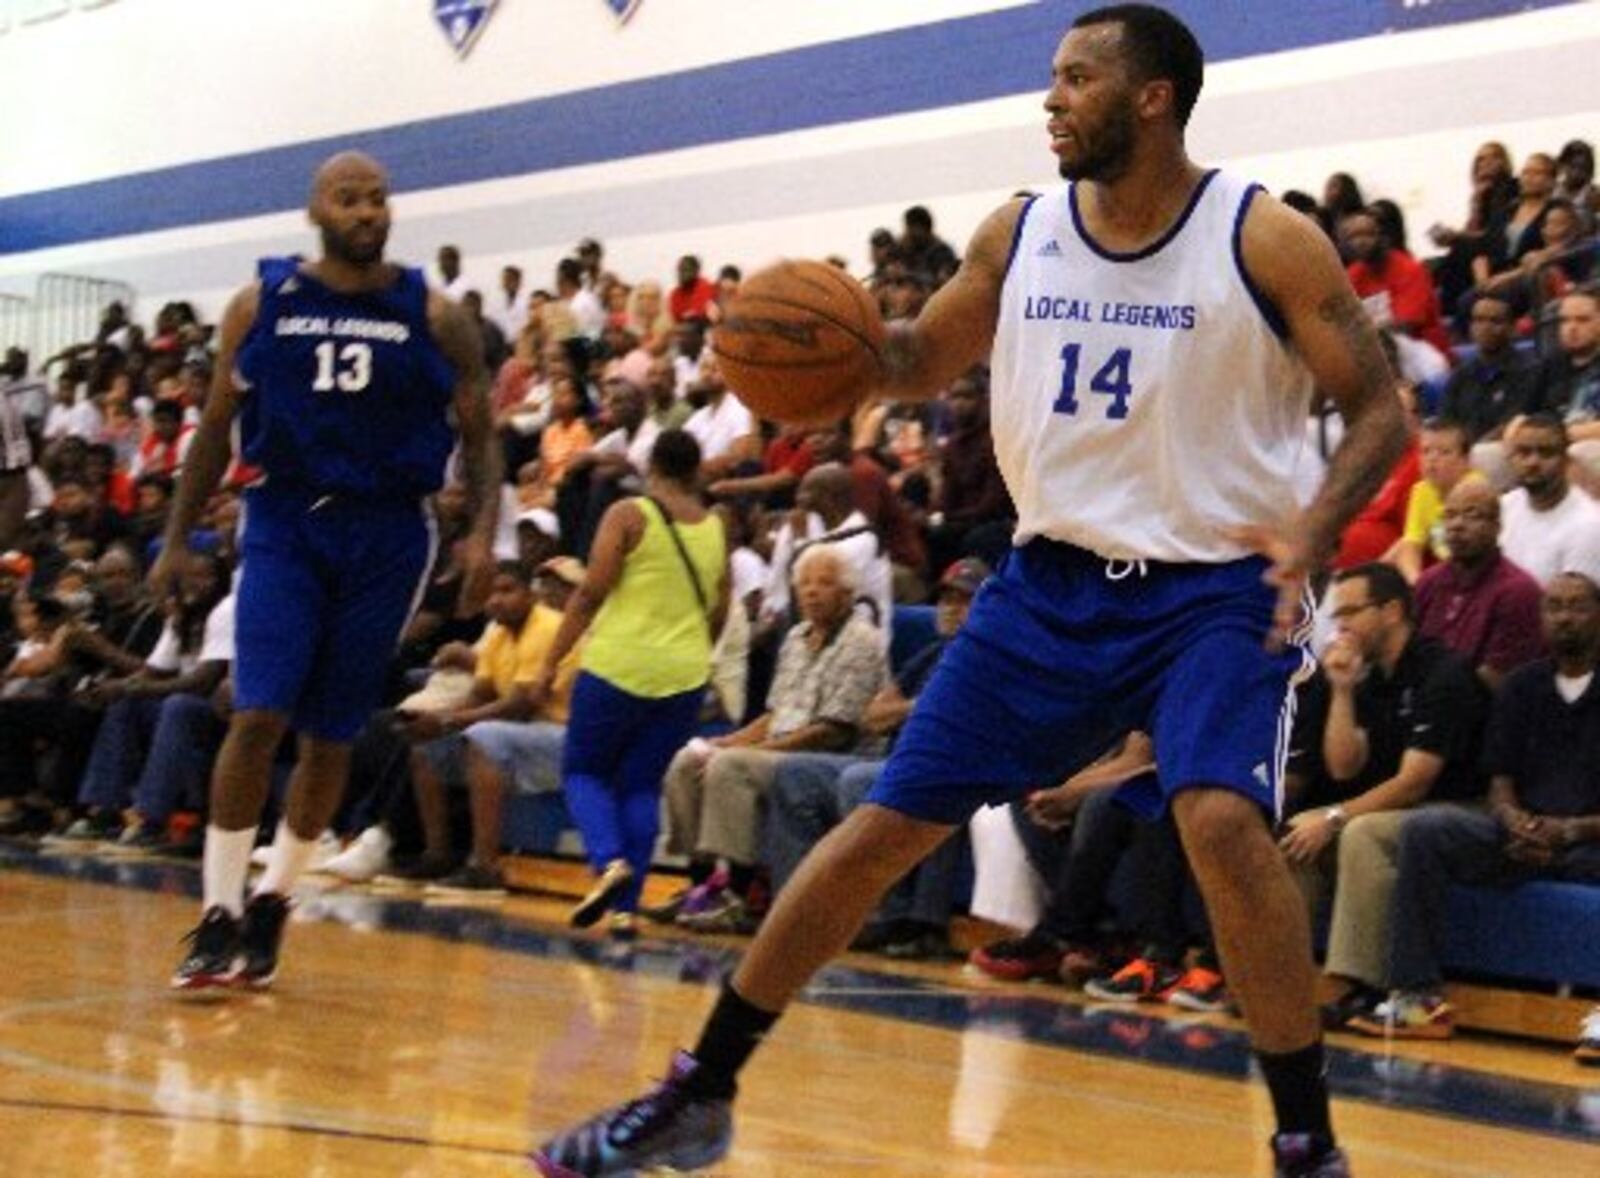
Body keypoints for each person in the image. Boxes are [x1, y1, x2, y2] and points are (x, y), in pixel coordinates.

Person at [532, 8, 1405, 1176]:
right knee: (881, 825)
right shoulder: (1019, 231)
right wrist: (816, 342)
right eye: (1052, 77)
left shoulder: (1264, 237)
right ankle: (700, 1088)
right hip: (1047, 585)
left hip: (1215, 588)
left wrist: (1313, 525)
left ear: (1152, 98)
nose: (1051, 98)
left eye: (1077, 77)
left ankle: (1305, 1143)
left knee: (1219, 820)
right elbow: (905, 360)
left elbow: (1381, 407)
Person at [159, 151, 498, 993]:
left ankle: (274, 899)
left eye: (378, 197)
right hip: (285, 520)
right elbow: (211, 429)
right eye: (348, 198)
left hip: (390, 531)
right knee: (256, 711)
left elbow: (483, 431)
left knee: (331, 731)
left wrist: (485, 532)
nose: (366, 210)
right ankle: (217, 913)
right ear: (315, 209)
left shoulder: (432, 312)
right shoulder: (262, 302)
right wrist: (173, 539)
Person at [1360, 573, 1600, 1042]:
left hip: (1590, 842)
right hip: (1521, 836)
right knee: (1428, 830)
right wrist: (1512, 820)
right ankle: (1418, 997)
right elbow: (1500, 781)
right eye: (1554, 607)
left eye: (1577, 606)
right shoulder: (1521, 686)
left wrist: (1568, 831)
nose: (1564, 617)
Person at [531, 429, 729, 937]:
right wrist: (691, 654)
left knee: (583, 772)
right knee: (640, 786)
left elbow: (589, 595)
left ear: (653, 467)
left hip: (619, 665)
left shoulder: (627, 514)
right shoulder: (714, 527)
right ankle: (625, 910)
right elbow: (719, 609)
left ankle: (608, 861)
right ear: (694, 469)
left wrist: (550, 662)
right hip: (683, 675)